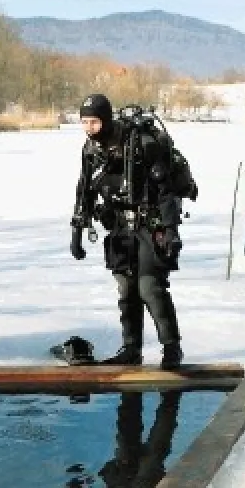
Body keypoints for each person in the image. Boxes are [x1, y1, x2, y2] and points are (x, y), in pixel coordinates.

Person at [69, 94, 198, 369]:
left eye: (94, 122)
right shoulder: (91, 149)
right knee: (126, 287)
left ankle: (172, 349)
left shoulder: (141, 144)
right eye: (84, 122)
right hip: (118, 224)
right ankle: (131, 348)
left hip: (152, 222)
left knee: (150, 286)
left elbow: (165, 191)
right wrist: (77, 232)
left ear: (106, 119)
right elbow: (85, 188)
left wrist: (171, 230)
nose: (89, 128)